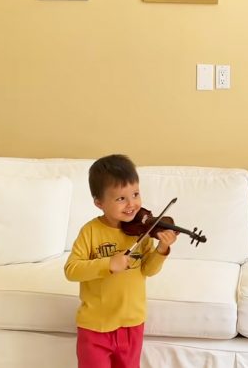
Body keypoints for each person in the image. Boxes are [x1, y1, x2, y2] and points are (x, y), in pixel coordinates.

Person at [64, 154, 177, 368]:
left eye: (135, 194)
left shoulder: (141, 231)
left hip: (132, 323)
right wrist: (108, 264)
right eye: (120, 198)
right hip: (94, 326)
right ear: (99, 203)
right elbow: (71, 270)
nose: (132, 204)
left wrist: (162, 249)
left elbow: (148, 270)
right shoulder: (90, 231)